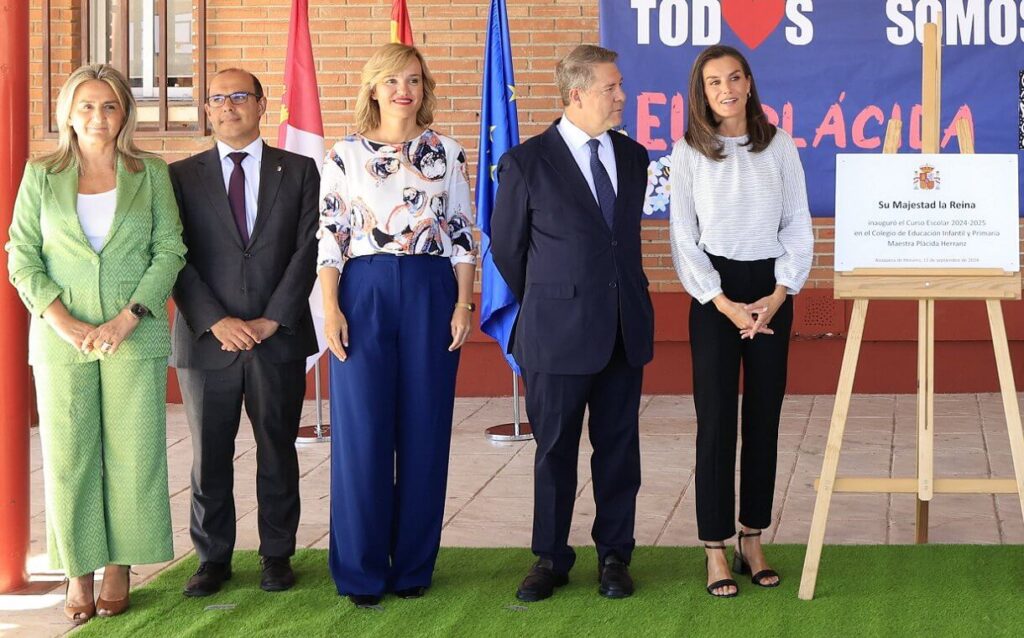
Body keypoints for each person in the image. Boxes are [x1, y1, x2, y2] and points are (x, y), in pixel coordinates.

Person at [6, 64, 186, 624]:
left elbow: (170, 249)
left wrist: (128, 318)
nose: (98, 117)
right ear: (67, 112)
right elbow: (21, 254)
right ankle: (78, 571)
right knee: (69, 459)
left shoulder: (150, 173)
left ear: (124, 113)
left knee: (135, 458)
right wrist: (60, 320)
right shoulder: (41, 174)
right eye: (86, 105)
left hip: (134, 334)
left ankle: (120, 568)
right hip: (61, 339)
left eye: (109, 106)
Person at [490, 44, 654, 602]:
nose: (622, 96)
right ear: (577, 94)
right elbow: (508, 253)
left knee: (618, 450)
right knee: (554, 451)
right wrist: (556, 298)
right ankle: (550, 558)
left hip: (623, 330)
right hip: (555, 335)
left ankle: (615, 556)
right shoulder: (526, 162)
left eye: (620, 86)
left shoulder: (634, 158)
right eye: (612, 87)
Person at [317, 43, 476, 608]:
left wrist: (463, 304)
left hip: (433, 293)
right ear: (373, 89)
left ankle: (412, 567)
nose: (402, 90)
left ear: (423, 87)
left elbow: (461, 234)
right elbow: (331, 237)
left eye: (412, 79)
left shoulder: (449, 152)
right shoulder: (344, 155)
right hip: (364, 292)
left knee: (425, 430)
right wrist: (332, 309)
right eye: (391, 80)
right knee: (362, 434)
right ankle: (360, 573)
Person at [668, 45, 813, 597]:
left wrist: (777, 295)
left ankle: (752, 538)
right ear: (700, 92)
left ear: (749, 83)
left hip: (772, 290)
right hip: (715, 299)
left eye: (734, 78)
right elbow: (684, 236)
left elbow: (797, 223)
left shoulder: (780, 147)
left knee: (764, 420)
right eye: (712, 83)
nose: (725, 89)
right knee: (716, 423)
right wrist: (723, 302)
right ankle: (714, 549)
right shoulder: (688, 152)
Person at [169, 68, 319, 596]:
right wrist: (216, 320)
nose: (227, 105)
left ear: (261, 105)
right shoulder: (180, 177)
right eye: (216, 98)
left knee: (277, 447)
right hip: (208, 339)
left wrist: (272, 318)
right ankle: (213, 560)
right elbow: (174, 255)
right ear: (207, 110)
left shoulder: (299, 170)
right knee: (208, 455)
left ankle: (277, 555)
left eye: (239, 96)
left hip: (276, 337)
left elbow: (308, 249)